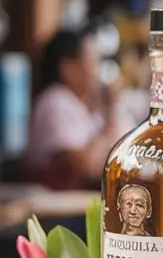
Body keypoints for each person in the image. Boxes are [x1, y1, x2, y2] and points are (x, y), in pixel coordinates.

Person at [28, 29, 120, 189]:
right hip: (57, 208)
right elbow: (86, 166)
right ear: (67, 68)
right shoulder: (54, 102)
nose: (96, 70)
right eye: (91, 61)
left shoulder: (81, 104)